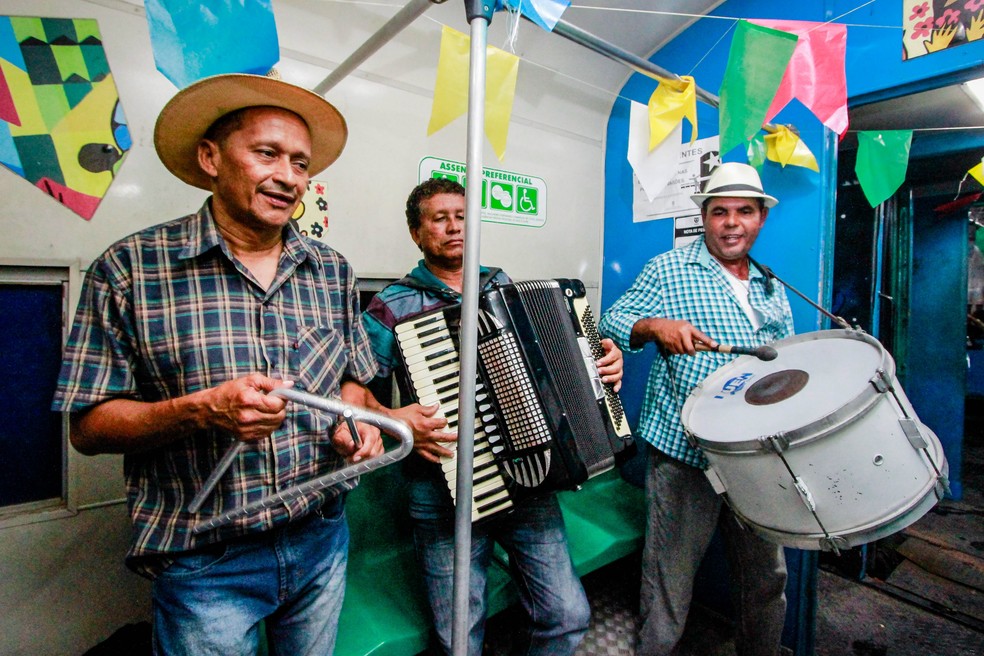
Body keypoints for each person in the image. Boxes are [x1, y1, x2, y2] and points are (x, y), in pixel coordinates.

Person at [51, 72, 384, 655]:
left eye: (300, 163)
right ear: (210, 158)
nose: (288, 177)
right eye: (267, 154)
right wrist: (202, 410)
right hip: (207, 559)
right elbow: (88, 428)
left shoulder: (332, 271)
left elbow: (353, 378)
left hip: (321, 536)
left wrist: (352, 421)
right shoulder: (130, 270)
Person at [362, 177, 624, 656]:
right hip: (441, 493)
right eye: (439, 219)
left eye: (462, 217)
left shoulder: (502, 286)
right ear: (416, 233)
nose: (454, 227)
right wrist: (397, 419)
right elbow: (355, 393)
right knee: (459, 637)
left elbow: (557, 366)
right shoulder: (390, 305)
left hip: (529, 480)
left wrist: (604, 363)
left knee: (568, 615)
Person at [598, 162, 793, 656]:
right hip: (686, 455)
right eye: (720, 212)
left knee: (766, 578)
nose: (732, 223)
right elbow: (611, 321)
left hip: (756, 455)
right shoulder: (668, 269)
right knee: (669, 580)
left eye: (744, 211)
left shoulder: (771, 284)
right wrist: (655, 327)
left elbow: (782, 362)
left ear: (761, 218)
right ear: (704, 217)